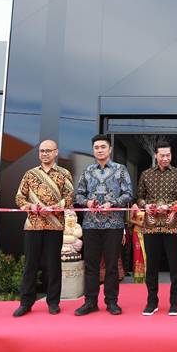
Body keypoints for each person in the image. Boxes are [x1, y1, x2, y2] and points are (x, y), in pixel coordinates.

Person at [74, 134, 133, 316]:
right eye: (96, 147)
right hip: (91, 225)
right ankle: (90, 302)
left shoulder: (120, 169)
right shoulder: (88, 171)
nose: (99, 150)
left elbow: (129, 193)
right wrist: (87, 202)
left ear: (110, 149)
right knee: (91, 265)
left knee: (111, 266)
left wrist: (112, 203)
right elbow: (78, 195)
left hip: (113, 225)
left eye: (103, 147)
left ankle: (111, 302)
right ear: (93, 150)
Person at [13, 139, 74, 317]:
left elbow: (70, 197)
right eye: (42, 151)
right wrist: (31, 206)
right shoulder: (30, 174)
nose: (45, 154)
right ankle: (26, 302)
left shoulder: (64, 173)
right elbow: (19, 198)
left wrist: (54, 208)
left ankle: (53, 302)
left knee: (53, 265)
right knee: (30, 265)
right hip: (33, 225)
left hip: (55, 225)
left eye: (48, 150)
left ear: (56, 152)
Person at [134, 142, 177, 316]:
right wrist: (146, 205)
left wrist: (169, 206)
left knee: (175, 266)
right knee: (151, 266)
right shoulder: (146, 174)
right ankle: (152, 302)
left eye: (168, 155)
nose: (165, 158)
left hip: (172, 226)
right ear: (156, 156)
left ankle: (175, 303)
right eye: (162, 155)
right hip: (151, 226)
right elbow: (139, 197)